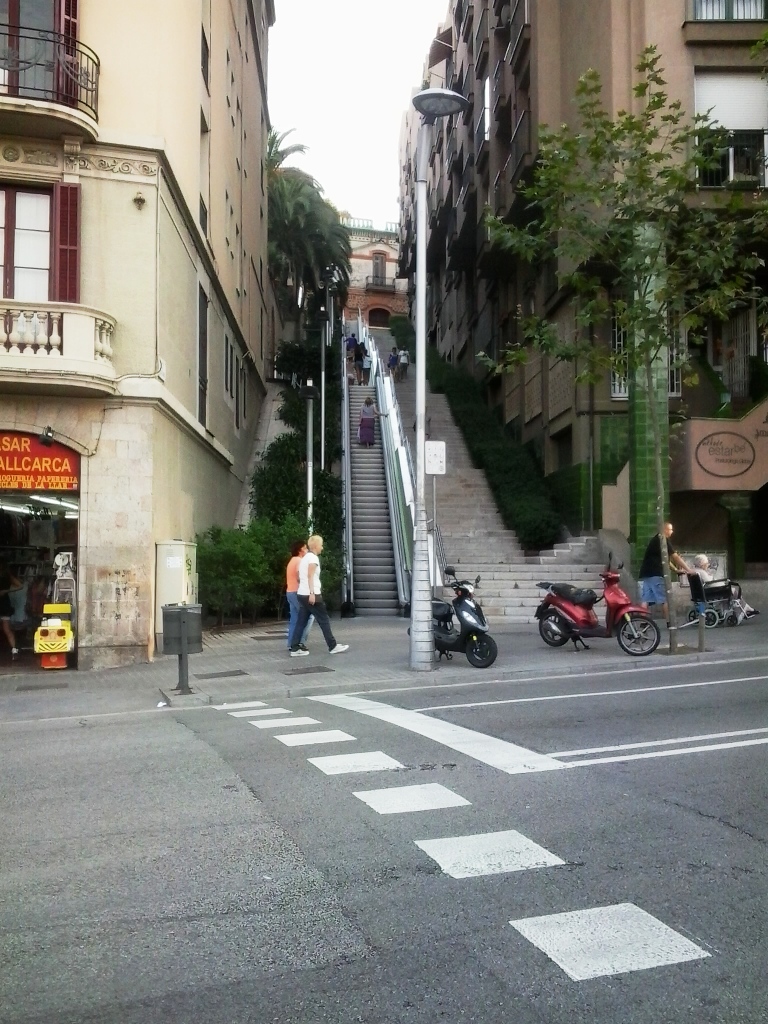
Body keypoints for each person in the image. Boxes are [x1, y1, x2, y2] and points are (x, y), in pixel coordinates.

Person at [289, 535, 349, 657]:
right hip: (312, 594)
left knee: (301, 621)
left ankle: (295, 647)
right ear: (316, 546)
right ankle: (332, 646)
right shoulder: (313, 559)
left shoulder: (305, 558)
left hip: (302, 593)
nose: (322, 547)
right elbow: (310, 576)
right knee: (324, 619)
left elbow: (301, 576)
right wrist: (311, 593)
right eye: (321, 545)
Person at [637, 522, 693, 622]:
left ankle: (643, 622)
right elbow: (674, 556)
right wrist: (688, 570)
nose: (672, 532)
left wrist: (675, 570)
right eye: (670, 529)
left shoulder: (655, 539)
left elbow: (665, 559)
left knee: (645, 599)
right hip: (656, 573)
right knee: (664, 599)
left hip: (647, 574)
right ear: (665, 530)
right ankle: (670, 622)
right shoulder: (663, 540)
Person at [693, 553, 758, 622]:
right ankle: (744, 608)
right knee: (734, 591)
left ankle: (746, 607)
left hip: (707, 590)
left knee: (734, 592)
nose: (708, 565)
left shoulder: (697, 571)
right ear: (702, 564)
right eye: (706, 563)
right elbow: (709, 581)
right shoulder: (701, 572)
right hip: (712, 591)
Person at [285, 540, 314, 652]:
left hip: (290, 592)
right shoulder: (299, 560)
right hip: (297, 592)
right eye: (305, 547)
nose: (307, 549)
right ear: (300, 549)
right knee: (308, 616)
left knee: (295, 619)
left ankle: (291, 642)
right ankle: (300, 642)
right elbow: (299, 576)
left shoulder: (292, 560)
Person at [0, 562, 22, 659]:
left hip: (4, 604)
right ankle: (14, 650)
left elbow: (20, 585)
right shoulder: (7, 576)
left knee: (6, 628)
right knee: (7, 628)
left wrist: (6, 591)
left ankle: (14, 650)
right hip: (4, 603)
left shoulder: (7, 576)